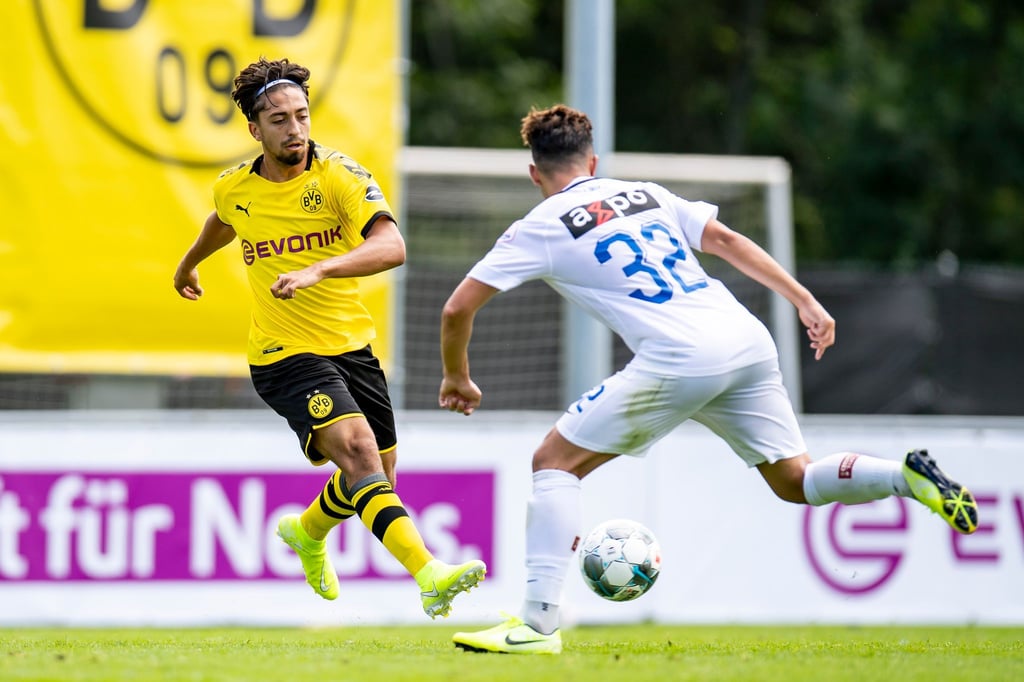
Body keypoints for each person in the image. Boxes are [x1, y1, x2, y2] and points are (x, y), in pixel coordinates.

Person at [438, 104, 977, 654]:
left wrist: (458, 377)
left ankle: (537, 624)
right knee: (796, 479)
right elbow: (727, 241)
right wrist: (805, 301)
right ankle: (903, 477)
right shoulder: (648, 193)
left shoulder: (541, 225)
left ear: (534, 173)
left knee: (553, 463)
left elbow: (457, 310)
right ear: (594, 161)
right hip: (745, 339)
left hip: (679, 355)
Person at [173, 57, 485, 619]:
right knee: (361, 453)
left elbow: (393, 247)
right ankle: (430, 574)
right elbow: (223, 220)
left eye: (301, 115)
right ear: (254, 129)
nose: (294, 130)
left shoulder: (340, 176)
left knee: (376, 480)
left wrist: (320, 269)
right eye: (278, 120)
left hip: (352, 348)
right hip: (282, 354)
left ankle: (308, 530)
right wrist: (189, 263)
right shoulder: (236, 188)